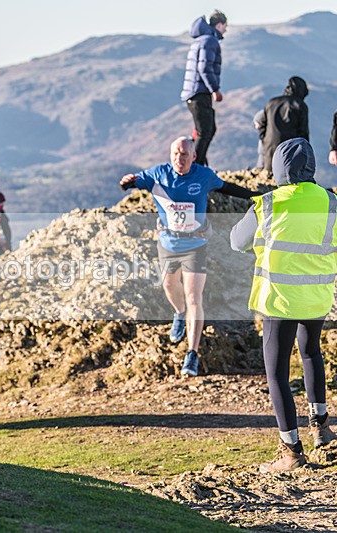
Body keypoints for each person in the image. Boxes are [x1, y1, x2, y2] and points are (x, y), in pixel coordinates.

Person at [230, 138, 337, 472]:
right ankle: (322, 428)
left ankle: (291, 452)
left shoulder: (269, 203)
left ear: (278, 168)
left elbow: (237, 242)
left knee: (276, 373)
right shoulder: (331, 202)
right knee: (310, 354)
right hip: (317, 297)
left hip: (279, 300)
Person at [119, 137, 255, 377]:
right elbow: (135, 182)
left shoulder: (204, 175)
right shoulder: (158, 174)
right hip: (169, 243)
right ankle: (179, 313)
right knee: (169, 284)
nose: (178, 159)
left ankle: (192, 354)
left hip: (196, 243)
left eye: (184, 154)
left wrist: (254, 195)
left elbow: (227, 187)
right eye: (175, 153)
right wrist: (127, 183)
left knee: (194, 297)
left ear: (193, 156)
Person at [180, 10, 227, 167]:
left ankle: (195, 160)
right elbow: (204, 68)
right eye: (225, 26)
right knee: (205, 131)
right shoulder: (210, 41)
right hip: (199, 92)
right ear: (219, 25)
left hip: (194, 92)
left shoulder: (201, 40)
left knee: (204, 129)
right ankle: (195, 166)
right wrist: (215, 89)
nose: (226, 30)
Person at [256, 76, 309, 172]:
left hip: (270, 146)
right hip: (290, 148)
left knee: (269, 175)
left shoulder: (272, 102)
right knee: (287, 176)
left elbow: (261, 122)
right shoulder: (300, 106)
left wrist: (263, 137)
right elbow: (303, 131)